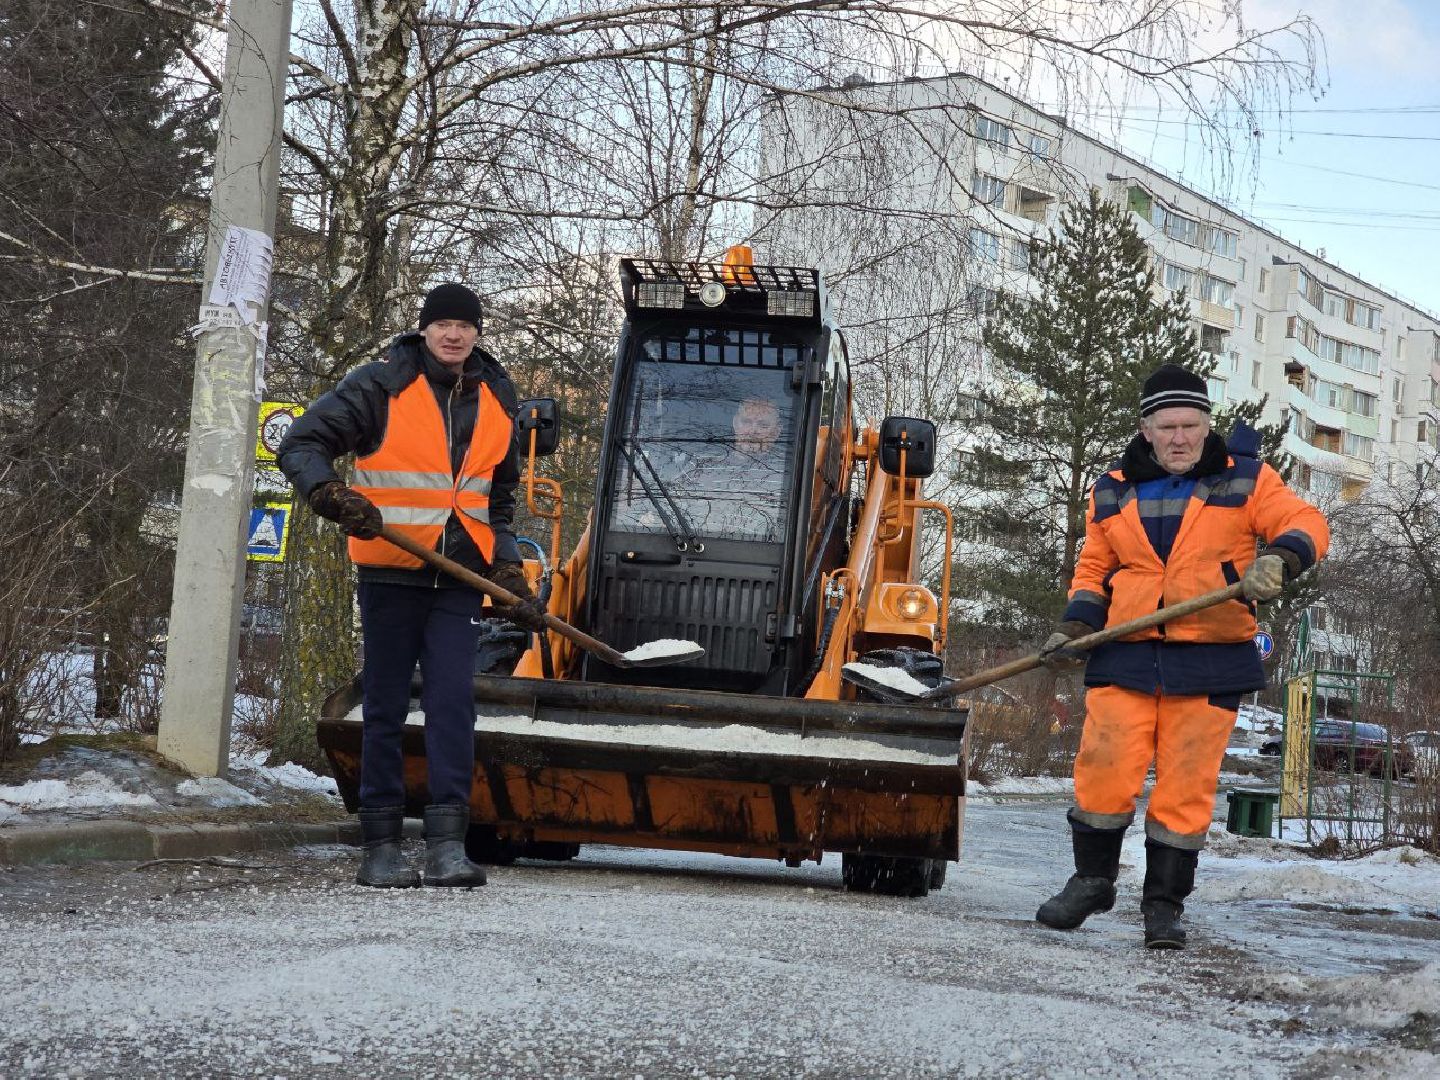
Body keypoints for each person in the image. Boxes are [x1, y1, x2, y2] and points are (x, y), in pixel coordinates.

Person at [1034, 363, 1328, 948]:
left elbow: (1305, 521)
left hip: (1212, 654)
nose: (1179, 438)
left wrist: (1282, 559)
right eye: (1166, 426)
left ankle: (1163, 906)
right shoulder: (1113, 487)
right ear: (1146, 428)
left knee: (1185, 784)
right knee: (1105, 763)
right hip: (1127, 650)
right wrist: (1075, 624)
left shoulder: (1245, 478)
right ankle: (1093, 879)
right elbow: (1096, 567)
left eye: (1190, 425)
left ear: (1206, 424)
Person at [277, 283, 546, 890]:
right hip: (390, 569)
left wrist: (505, 568)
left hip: (459, 578)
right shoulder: (380, 384)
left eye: (465, 325)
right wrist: (329, 493)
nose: (454, 334)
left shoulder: (498, 396)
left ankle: (447, 843)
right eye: (443, 323)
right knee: (387, 706)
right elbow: (303, 442)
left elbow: (495, 501)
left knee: (454, 704)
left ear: (477, 333)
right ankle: (381, 845)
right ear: (424, 329)